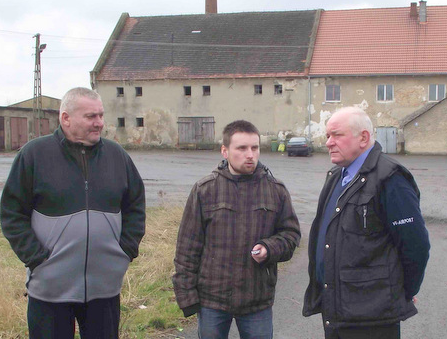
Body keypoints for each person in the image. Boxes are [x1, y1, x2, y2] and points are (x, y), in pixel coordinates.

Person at [0, 87, 146, 339]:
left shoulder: (117, 156)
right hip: (50, 289)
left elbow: (135, 206)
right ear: (65, 118)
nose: (99, 123)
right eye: (91, 116)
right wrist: (37, 259)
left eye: (101, 115)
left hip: (104, 288)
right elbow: (12, 213)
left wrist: (125, 251)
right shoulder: (34, 155)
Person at [303, 107, 430, 339]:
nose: (329, 143)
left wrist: (404, 291)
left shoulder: (390, 178)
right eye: (327, 136)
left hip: (373, 316)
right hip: (337, 309)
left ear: (363, 137)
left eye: (336, 135)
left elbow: (415, 245)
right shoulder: (336, 177)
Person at [173, 120, 301, 339]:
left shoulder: (275, 190)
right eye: (242, 148)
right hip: (212, 300)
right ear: (225, 151)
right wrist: (187, 296)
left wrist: (269, 249)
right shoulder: (205, 189)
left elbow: (291, 235)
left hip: (256, 300)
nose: (250, 154)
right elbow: (187, 247)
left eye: (254, 147)